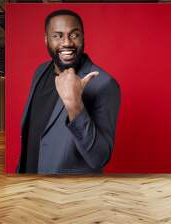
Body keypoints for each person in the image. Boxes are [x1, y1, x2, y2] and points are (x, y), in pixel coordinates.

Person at [17, 9, 121, 174]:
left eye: (74, 35)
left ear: (83, 37)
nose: (67, 43)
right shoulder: (41, 72)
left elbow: (99, 157)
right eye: (57, 36)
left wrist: (75, 106)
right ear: (46, 40)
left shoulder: (104, 84)